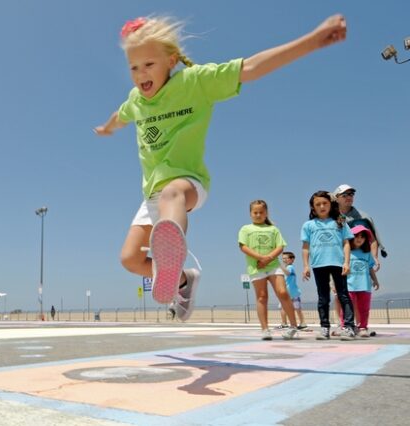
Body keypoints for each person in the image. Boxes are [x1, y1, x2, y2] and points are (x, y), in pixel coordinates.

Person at [94, 14, 348, 322]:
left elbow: (251, 67)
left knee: (171, 194)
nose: (140, 74)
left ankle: (172, 249)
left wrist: (311, 41)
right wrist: (108, 128)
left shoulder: (195, 81)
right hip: (152, 193)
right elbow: (120, 115)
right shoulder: (136, 100)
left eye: (149, 64)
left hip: (188, 182)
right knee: (130, 259)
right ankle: (183, 278)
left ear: (171, 60)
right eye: (133, 67)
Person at [239, 200, 298, 340]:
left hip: (273, 266)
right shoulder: (245, 229)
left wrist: (268, 258)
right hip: (256, 268)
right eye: (255, 212)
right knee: (262, 297)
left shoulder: (273, 229)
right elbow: (243, 247)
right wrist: (260, 257)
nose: (258, 215)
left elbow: (280, 246)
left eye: (261, 212)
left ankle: (293, 326)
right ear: (250, 214)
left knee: (283, 292)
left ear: (266, 213)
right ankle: (265, 329)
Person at [301, 190, 356, 341]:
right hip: (319, 265)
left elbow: (346, 243)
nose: (322, 206)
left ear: (330, 204)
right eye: (318, 204)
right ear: (313, 208)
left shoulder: (340, 221)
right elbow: (305, 247)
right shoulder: (308, 225)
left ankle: (349, 327)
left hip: (338, 264)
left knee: (344, 295)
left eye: (325, 203)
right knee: (323, 297)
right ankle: (324, 327)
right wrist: (306, 266)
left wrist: (346, 262)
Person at [333, 184, 387, 271]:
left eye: (351, 194)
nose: (349, 197)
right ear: (336, 199)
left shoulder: (363, 217)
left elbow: (373, 240)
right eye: (344, 195)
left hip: (359, 263)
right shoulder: (331, 218)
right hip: (337, 263)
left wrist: (374, 258)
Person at [278, 251, 307, 330]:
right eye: (283, 258)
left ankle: (285, 323)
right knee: (296, 308)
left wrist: (279, 265)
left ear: (292, 259)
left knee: (285, 307)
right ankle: (302, 323)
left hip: (290, 293)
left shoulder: (290, 267)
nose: (284, 260)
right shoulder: (287, 268)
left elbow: (287, 273)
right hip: (292, 292)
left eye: (285, 258)